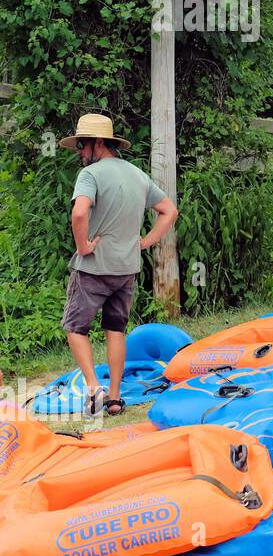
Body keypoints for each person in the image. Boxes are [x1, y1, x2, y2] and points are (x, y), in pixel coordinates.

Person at [59, 114, 179, 417]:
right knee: (115, 330)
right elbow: (169, 210)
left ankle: (93, 389)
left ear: (99, 143)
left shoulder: (91, 175)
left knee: (75, 328)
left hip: (93, 268)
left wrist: (83, 246)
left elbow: (78, 214)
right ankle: (114, 398)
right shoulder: (137, 174)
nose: (80, 152)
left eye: (82, 145)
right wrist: (146, 241)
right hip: (126, 268)